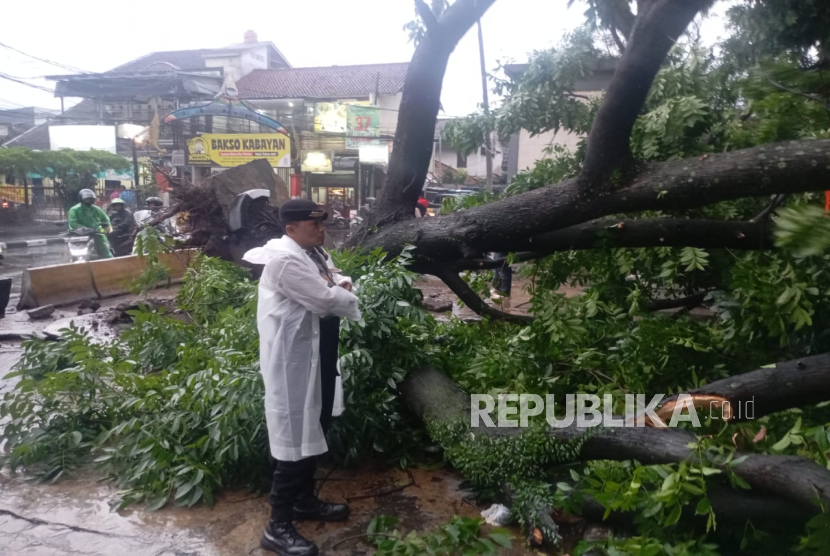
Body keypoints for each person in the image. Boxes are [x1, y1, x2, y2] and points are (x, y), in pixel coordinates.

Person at [242, 199, 361, 556]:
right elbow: (325, 300)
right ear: (291, 229)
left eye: (321, 224)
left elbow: (335, 279)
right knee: (294, 437)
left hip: (318, 354)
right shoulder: (284, 261)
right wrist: (338, 290)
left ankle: (304, 501)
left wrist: (338, 286)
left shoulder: (313, 253)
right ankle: (277, 526)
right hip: (292, 362)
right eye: (314, 226)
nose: (322, 231)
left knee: (316, 425)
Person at [68, 189, 113, 259]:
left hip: (96, 233)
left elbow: (106, 220)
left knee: (106, 252)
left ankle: (112, 265)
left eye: (91, 199)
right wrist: (86, 229)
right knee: (75, 255)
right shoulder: (74, 209)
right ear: (81, 198)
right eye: (87, 199)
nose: (89, 201)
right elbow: (73, 223)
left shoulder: (97, 209)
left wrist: (105, 230)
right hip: (78, 235)